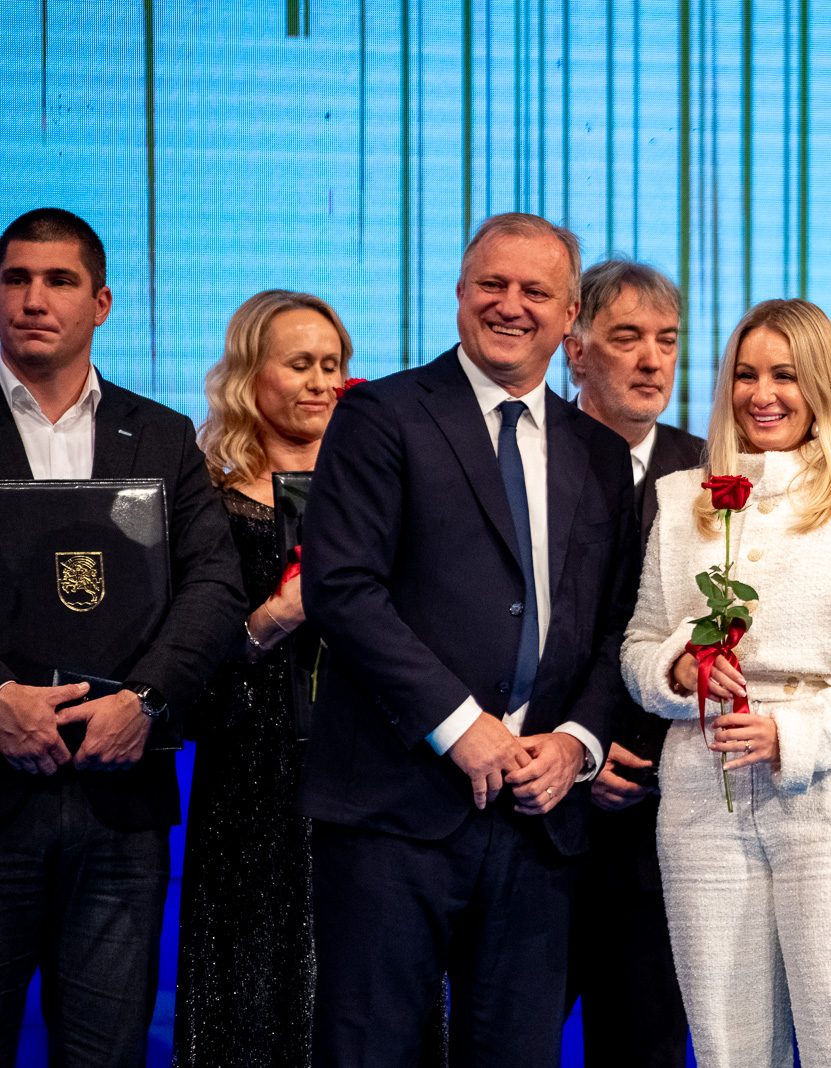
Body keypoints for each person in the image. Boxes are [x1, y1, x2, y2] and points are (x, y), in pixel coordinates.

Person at [298, 212, 639, 1068]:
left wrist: (578, 741)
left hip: (540, 818)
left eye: (536, 291)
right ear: (458, 293)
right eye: (492, 284)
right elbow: (343, 590)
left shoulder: (602, 455)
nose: (510, 305)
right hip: (394, 806)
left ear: (570, 318)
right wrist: (459, 725)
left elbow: (618, 626)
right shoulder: (380, 415)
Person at [622, 298, 831, 1068]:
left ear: (822, 384)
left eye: (785, 376)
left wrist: (792, 734)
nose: (762, 394)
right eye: (746, 375)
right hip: (702, 792)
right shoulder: (681, 497)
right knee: (726, 1041)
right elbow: (639, 645)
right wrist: (678, 669)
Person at [0, 208, 246, 1066]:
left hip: (122, 798)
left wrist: (146, 700)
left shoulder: (164, 435)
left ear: (101, 303)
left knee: (106, 1053)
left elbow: (215, 585)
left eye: (59, 281)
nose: (34, 300)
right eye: (16, 279)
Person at [175, 290, 359, 1067]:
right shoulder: (204, 502)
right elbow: (185, 659)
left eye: (332, 364)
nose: (321, 382)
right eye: (300, 364)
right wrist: (277, 617)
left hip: (365, 775)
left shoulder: (380, 497)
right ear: (250, 375)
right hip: (250, 778)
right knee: (249, 995)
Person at [561, 259, 703, 1067]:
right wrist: (583, 742)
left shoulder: (714, 471)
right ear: (576, 350)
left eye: (667, 340)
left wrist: (642, 751)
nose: (652, 360)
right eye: (627, 338)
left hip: (666, 815)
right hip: (540, 806)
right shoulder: (530, 454)